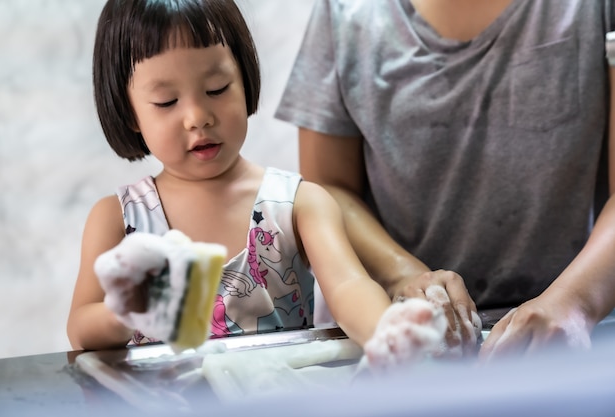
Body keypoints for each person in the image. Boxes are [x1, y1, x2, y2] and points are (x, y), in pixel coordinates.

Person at [66, 0, 418, 353]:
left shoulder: (296, 203)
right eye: (166, 101)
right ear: (129, 113)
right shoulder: (117, 219)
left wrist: (388, 334)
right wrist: (131, 313)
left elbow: (348, 286)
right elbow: (80, 328)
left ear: (244, 80)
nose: (197, 117)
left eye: (217, 88)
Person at [275, 0, 615, 359]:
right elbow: (328, 187)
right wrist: (403, 275)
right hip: (405, 340)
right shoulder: (344, 12)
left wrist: (576, 301)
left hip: (568, 340)